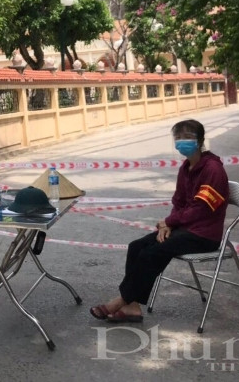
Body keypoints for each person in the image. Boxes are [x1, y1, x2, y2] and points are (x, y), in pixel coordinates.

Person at [90, 119, 229, 323]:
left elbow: (201, 209)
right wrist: (169, 224)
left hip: (204, 234)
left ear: (200, 140)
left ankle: (121, 300)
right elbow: (179, 201)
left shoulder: (213, 169)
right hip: (183, 229)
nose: (182, 141)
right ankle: (133, 307)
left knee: (152, 253)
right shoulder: (186, 168)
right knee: (136, 247)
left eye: (188, 137)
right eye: (178, 137)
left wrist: (169, 221)